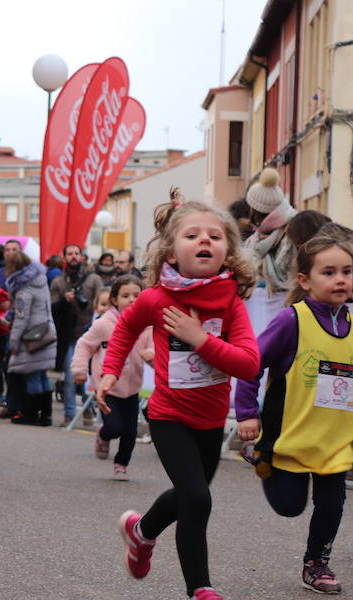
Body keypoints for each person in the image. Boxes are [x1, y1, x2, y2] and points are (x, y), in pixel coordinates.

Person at [100, 190, 259, 600]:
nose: (204, 241)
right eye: (192, 235)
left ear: (228, 250)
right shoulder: (156, 298)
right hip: (168, 415)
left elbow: (248, 364)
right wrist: (109, 371)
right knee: (197, 499)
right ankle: (200, 589)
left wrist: (197, 339)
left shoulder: (230, 304)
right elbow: (124, 331)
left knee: (191, 495)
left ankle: (141, 531)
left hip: (210, 419)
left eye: (214, 235)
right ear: (171, 251)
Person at [235, 231, 353, 595]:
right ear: (305, 280)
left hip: (335, 444)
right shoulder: (291, 321)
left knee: (332, 505)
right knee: (288, 507)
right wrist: (247, 413)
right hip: (291, 439)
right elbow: (252, 363)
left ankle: (316, 564)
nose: (340, 279)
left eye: (346, 272)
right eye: (328, 272)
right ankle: (263, 459)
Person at [73, 275, 152, 480]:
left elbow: (155, 347)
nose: (132, 300)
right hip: (107, 387)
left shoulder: (147, 325)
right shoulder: (104, 324)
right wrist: (80, 370)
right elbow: (84, 345)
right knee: (115, 427)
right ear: (115, 300)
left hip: (133, 387)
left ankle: (121, 464)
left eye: (137, 295)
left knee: (130, 431)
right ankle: (103, 434)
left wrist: (152, 354)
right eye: (126, 296)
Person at [51, 243, 104, 425]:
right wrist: (65, 302)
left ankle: (89, 411)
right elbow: (52, 309)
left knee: (89, 374)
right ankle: (69, 414)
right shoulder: (59, 281)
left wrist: (86, 303)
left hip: (91, 332)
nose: (73, 257)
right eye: (70, 254)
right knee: (70, 374)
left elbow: (102, 305)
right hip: (69, 336)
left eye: (76, 253)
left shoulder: (94, 279)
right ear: (64, 258)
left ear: (82, 256)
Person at [242, 167, 297, 338]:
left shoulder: (290, 234)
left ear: (256, 209)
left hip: (281, 302)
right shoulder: (258, 236)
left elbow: (283, 273)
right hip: (260, 303)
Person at [5, 251, 57, 425]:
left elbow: (22, 317)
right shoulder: (40, 281)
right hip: (46, 332)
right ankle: (46, 416)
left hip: (31, 337)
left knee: (32, 375)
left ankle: (31, 414)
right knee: (42, 374)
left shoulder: (23, 289)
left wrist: (13, 342)